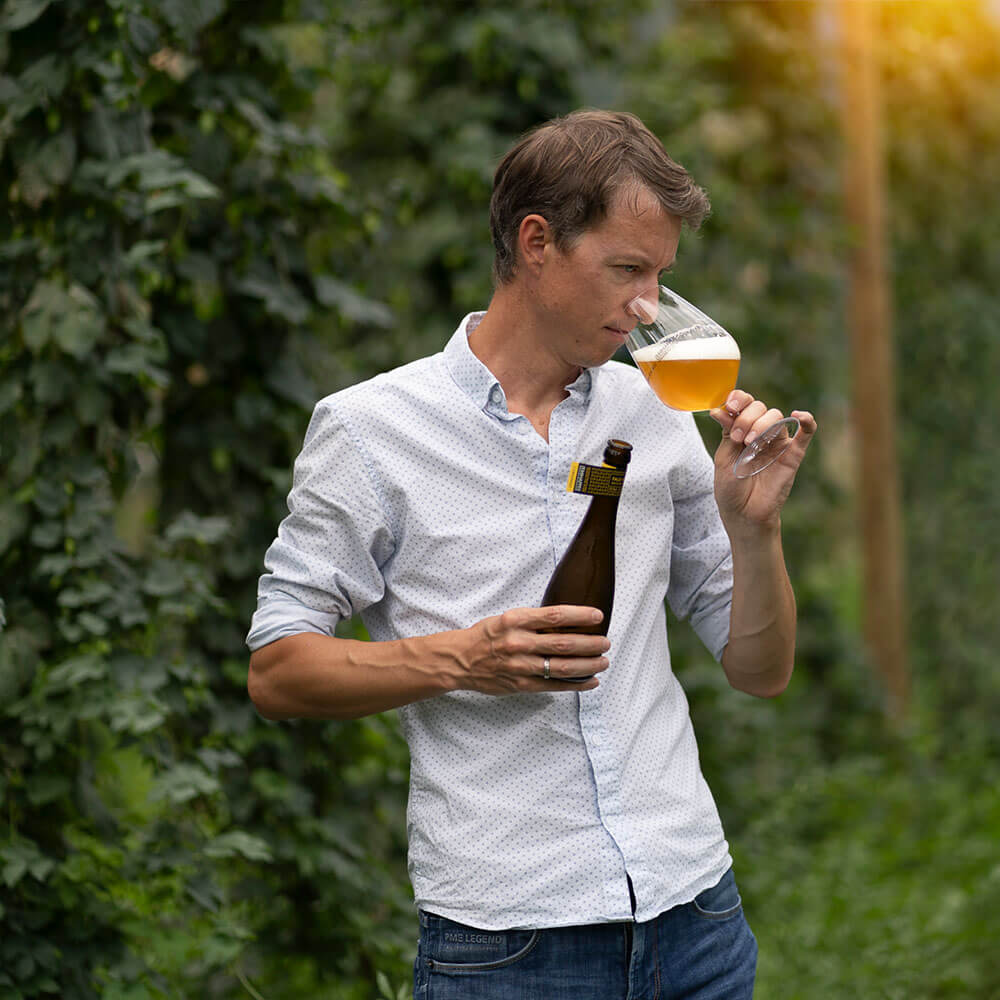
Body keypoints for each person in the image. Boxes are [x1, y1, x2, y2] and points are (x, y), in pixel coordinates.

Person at [247, 109, 816, 999]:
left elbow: (761, 670)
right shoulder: (370, 432)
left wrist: (755, 528)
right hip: (509, 949)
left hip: (695, 917)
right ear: (537, 241)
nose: (645, 307)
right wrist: (464, 658)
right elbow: (278, 671)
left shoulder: (657, 413)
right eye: (627, 269)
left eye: (661, 277)